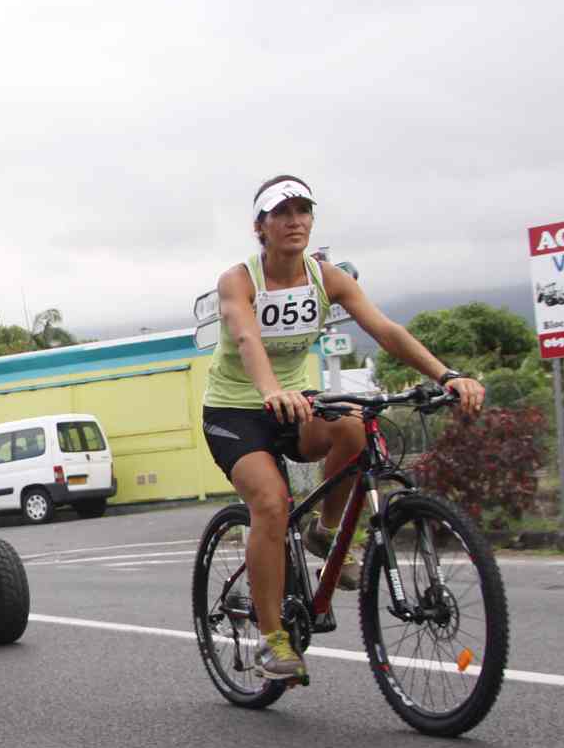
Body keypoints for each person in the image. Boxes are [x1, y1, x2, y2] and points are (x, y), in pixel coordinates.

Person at [201, 176, 485, 682]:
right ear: (259, 227)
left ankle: (329, 532)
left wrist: (446, 374)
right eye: (281, 212)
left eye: (302, 210)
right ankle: (272, 642)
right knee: (269, 504)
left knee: (354, 426)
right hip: (236, 412)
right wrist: (270, 391)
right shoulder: (239, 281)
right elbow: (247, 338)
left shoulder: (326, 277)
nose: (295, 221)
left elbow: (385, 330)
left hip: (295, 404)